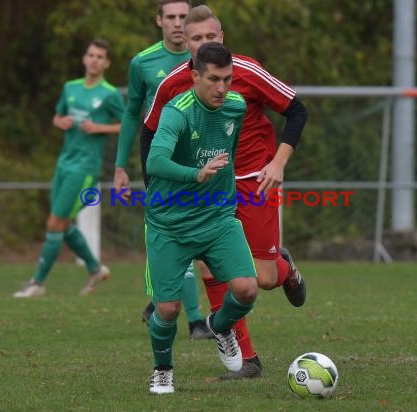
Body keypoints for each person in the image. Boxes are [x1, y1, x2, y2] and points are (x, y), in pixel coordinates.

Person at [129, 5, 309, 379]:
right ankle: (246, 359)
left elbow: (297, 110)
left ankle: (285, 268)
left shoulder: (244, 72)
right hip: (208, 191)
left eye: (211, 37)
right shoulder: (175, 84)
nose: (204, 43)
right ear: (186, 43)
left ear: (222, 38)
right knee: (210, 265)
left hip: (255, 180)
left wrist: (277, 163)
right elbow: (148, 133)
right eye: (196, 39)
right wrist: (156, 190)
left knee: (261, 278)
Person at [145, 42, 257, 394]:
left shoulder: (236, 107)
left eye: (227, 79)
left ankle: (220, 326)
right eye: (213, 79)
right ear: (195, 76)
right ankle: (163, 370)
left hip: (217, 216)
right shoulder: (176, 113)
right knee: (166, 309)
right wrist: (197, 174)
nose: (222, 88)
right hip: (169, 222)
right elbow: (154, 162)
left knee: (247, 289)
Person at [114, 0, 212, 340]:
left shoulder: (209, 59)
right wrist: (120, 166)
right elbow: (131, 115)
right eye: (170, 17)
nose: (177, 23)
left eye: (183, 17)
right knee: (176, 233)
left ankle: (162, 299)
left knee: (211, 232)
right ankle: (196, 320)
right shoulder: (143, 63)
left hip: (206, 157)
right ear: (159, 21)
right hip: (163, 159)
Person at [14, 38, 125, 298]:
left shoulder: (109, 94)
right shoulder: (70, 88)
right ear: (84, 59)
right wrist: (59, 122)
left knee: (55, 222)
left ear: (106, 63)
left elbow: (127, 124)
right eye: (90, 55)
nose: (94, 59)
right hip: (64, 162)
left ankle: (37, 283)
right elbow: (57, 116)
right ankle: (95, 268)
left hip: (85, 167)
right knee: (60, 223)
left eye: (100, 56)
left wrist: (100, 128)